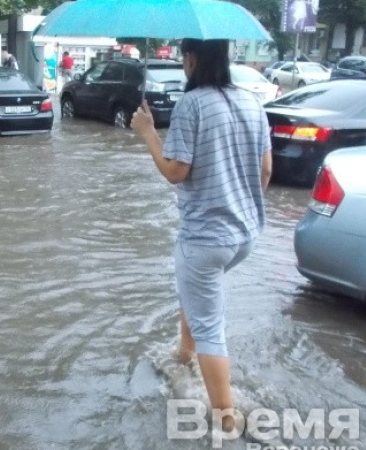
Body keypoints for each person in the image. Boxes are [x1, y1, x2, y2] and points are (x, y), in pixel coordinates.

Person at [130, 38, 273, 433]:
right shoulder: (251, 101)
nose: (182, 65)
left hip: (206, 239)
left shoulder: (191, 104)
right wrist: (236, 202)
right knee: (194, 294)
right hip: (244, 235)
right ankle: (183, 355)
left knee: (210, 326)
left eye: (182, 58)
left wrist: (147, 133)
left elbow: (177, 171)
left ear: (191, 59)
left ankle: (225, 419)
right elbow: (265, 172)